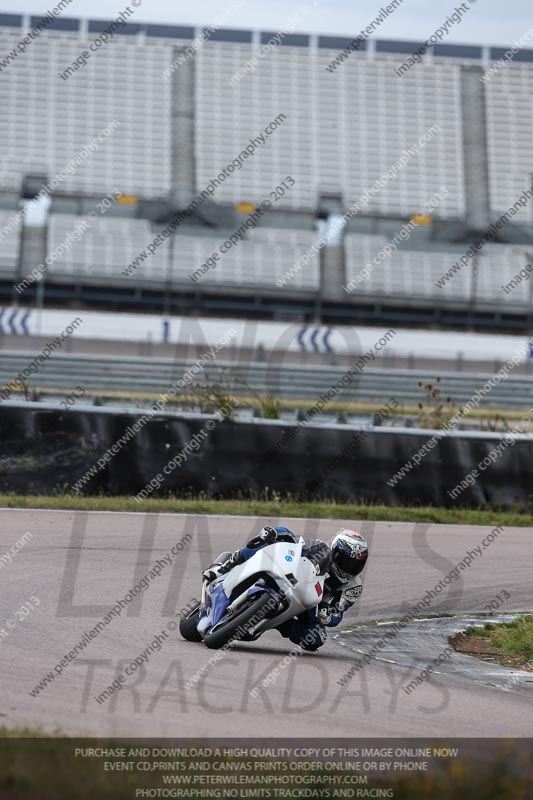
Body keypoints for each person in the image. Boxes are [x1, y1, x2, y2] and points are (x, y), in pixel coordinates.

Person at [202, 525, 368, 651]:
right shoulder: (319, 548)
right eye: (345, 560)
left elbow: (338, 613)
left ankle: (278, 622)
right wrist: (276, 535)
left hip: (311, 606)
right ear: (334, 551)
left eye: (356, 565)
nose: (349, 567)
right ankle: (226, 565)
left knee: (317, 638)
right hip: (290, 576)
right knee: (279, 532)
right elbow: (295, 542)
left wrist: (327, 615)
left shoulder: (353, 587)